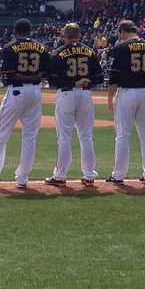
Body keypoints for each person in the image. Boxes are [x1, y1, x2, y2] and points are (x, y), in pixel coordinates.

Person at [0, 19, 50, 189]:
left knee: (1, 135)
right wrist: (34, 77)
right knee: (30, 137)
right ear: (30, 31)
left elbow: (6, 76)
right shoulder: (41, 48)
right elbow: (47, 72)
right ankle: (22, 179)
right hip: (35, 91)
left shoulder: (9, 47)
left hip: (17, 91)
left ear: (15, 31)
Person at [106, 20, 145, 185]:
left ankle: (118, 175)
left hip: (127, 92)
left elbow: (114, 77)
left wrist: (110, 98)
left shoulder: (122, 48)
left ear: (123, 32)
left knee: (123, 134)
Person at [45, 22, 101, 186]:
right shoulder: (89, 51)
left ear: (64, 35)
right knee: (86, 136)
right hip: (85, 94)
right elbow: (99, 77)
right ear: (79, 34)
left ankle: (60, 175)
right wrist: (86, 82)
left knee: (64, 137)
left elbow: (53, 80)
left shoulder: (58, 52)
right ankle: (89, 175)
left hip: (67, 93)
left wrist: (73, 82)